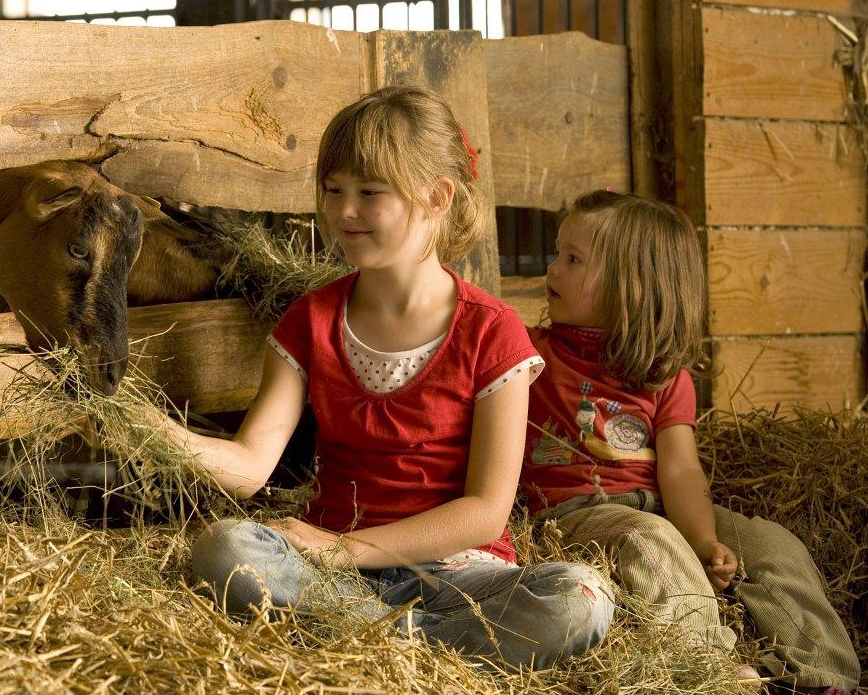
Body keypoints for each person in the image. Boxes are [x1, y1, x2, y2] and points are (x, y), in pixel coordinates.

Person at [146, 86, 614, 669]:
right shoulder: (311, 320)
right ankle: (424, 646)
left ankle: (370, 640)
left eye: (369, 193)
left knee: (580, 597)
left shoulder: (492, 331)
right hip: (333, 577)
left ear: (437, 197)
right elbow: (249, 465)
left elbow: (486, 511)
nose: (344, 212)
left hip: (458, 576)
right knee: (226, 548)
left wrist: (349, 549)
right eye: (333, 190)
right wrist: (158, 433)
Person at [522, 189, 859, 693]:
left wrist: (703, 542)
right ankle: (713, 674)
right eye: (558, 253)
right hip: (575, 513)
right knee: (651, 540)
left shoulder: (664, 376)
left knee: (771, 545)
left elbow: (679, 470)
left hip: (659, 507)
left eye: (573, 259)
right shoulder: (529, 351)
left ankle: (818, 674)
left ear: (631, 286)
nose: (552, 268)